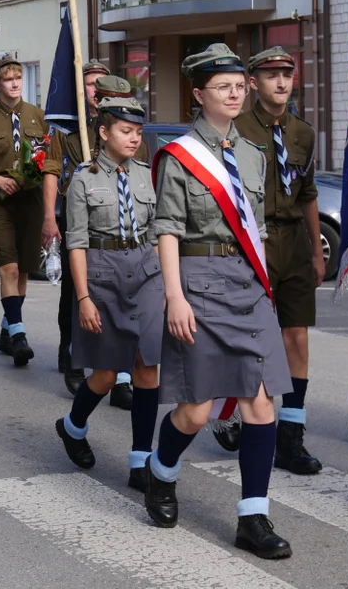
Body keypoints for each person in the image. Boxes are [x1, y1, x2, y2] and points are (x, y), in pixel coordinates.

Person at [145, 43, 292, 558]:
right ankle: (161, 473)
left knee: (260, 400)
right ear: (199, 93)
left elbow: (258, 228)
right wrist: (174, 296)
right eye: (223, 86)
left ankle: (253, 516)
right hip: (198, 280)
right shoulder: (179, 156)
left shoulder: (253, 154)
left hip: (246, 283)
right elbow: (166, 229)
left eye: (238, 84)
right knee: (196, 409)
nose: (235, 92)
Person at [207, 47, 324, 475]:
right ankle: (232, 411)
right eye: (271, 75)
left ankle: (290, 436)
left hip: (292, 242)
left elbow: (307, 193)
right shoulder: (235, 128)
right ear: (252, 82)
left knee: (296, 338)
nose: (281, 82)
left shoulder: (302, 133)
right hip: (250, 239)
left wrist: (315, 249)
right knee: (248, 336)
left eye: (287, 74)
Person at [53, 95, 163, 494]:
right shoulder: (84, 178)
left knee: (146, 366)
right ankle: (72, 426)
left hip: (147, 273)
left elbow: (155, 232)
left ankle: (140, 461)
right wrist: (82, 298)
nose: (134, 139)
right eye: (125, 131)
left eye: (137, 132)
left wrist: (167, 285)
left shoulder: (148, 175)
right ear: (104, 132)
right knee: (105, 371)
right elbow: (76, 243)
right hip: (103, 274)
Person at [45, 68, 142, 405]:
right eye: (111, 100)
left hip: (120, 229)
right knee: (77, 293)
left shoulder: (131, 136)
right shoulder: (74, 137)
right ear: (98, 101)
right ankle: (74, 355)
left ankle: (121, 377)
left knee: (125, 302)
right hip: (84, 223)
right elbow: (56, 176)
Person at [0, 55, 59, 367]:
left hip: (30, 202)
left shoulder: (39, 116)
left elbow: (49, 163)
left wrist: (49, 213)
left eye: (18, 77)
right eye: (8, 78)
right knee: (7, 267)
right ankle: (20, 334)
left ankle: (8, 328)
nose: (15, 82)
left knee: (22, 269)